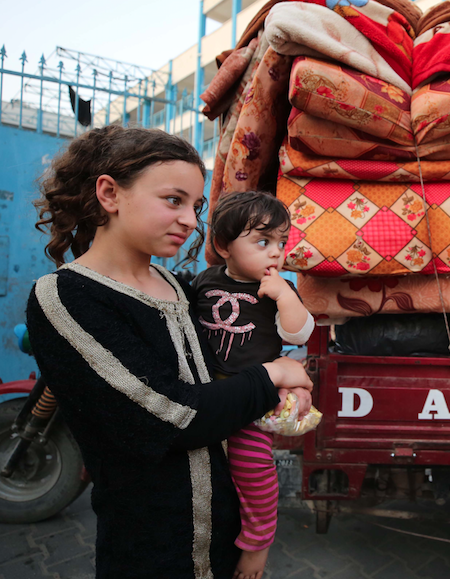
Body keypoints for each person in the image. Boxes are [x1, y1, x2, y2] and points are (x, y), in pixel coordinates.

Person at [26, 125, 313, 579]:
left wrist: (292, 385)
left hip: (225, 529)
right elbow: (174, 417)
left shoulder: (180, 288)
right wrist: (273, 375)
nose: (190, 221)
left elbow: (236, 360)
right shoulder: (68, 297)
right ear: (109, 193)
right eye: (173, 200)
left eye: (196, 207)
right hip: (154, 547)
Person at [192, 191, 315, 579]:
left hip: (252, 402)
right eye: (262, 242)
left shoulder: (280, 290)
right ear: (223, 246)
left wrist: (283, 296)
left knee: (255, 474)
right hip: (207, 394)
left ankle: (257, 545)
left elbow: (300, 333)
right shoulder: (204, 281)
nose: (275, 253)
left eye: (281, 242)